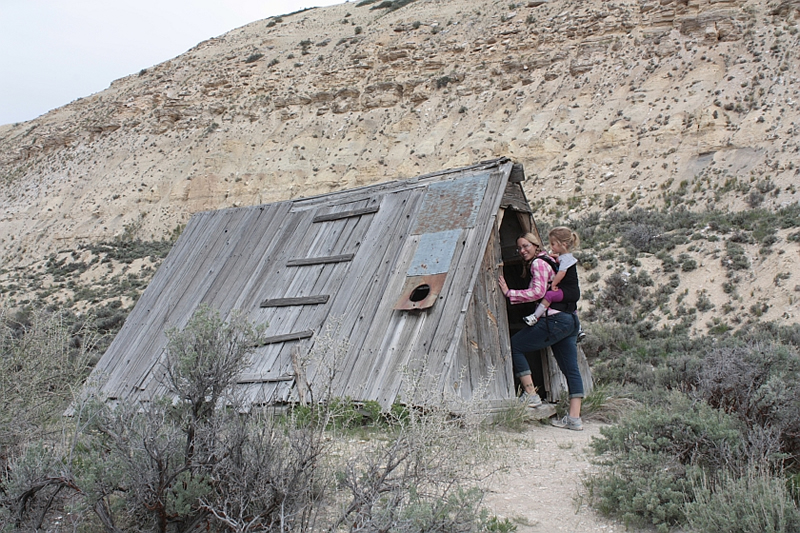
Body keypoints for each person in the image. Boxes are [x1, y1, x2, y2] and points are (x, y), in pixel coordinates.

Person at [498, 231, 584, 430]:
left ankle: (530, 395)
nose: (522, 250)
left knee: (516, 346)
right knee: (571, 369)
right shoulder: (553, 260)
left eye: (526, 246)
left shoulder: (538, 263)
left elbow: (538, 292)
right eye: (519, 248)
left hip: (554, 319)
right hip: (571, 319)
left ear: (536, 245)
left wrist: (509, 293)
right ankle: (574, 418)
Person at [523, 227, 580, 327]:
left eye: (553, 244)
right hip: (573, 291)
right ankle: (578, 328)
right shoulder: (566, 257)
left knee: (549, 295)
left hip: (568, 290)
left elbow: (561, 273)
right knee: (571, 306)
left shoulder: (565, 259)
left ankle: (535, 316)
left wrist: (554, 283)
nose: (551, 247)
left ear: (563, 245)